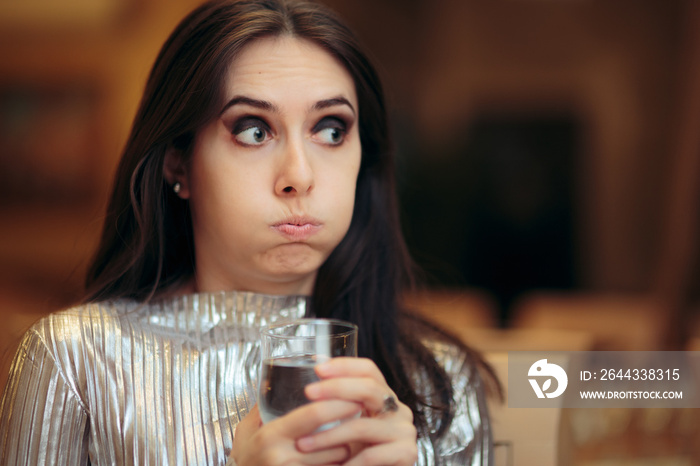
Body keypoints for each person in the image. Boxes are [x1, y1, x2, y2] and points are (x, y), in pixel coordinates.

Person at [0, 0, 498, 464]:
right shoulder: (74, 360)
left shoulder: (439, 383)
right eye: (254, 131)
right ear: (179, 162)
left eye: (331, 129)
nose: (300, 176)